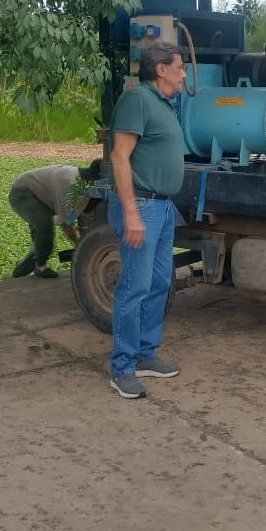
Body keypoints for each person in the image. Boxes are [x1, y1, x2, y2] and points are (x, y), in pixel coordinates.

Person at [107, 41, 187, 399]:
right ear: (161, 70)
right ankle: (121, 367)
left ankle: (144, 354)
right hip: (142, 206)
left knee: (158, 284)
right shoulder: (137, 99)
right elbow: (119, 157)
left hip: (163, 207)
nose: (184, 73)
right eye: (180, 67)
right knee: (134, 287)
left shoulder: (164, 104)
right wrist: (130, 213)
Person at [8, 158, 102, 278]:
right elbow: (66, 224)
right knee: (45, 226)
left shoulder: (82, 182)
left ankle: (18, 274)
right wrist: (80, 245)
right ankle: (40, 267)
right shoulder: (70, 184)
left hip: (41, 196)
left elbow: (81, 214)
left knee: (41, 242)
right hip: (22, 193)